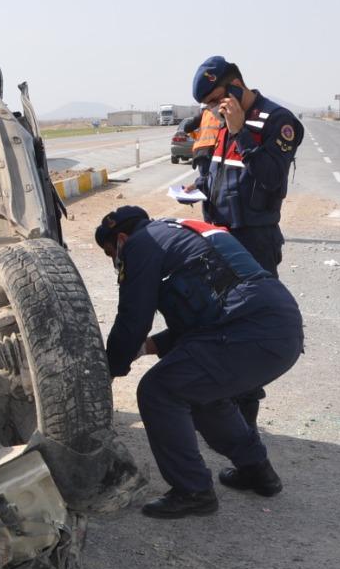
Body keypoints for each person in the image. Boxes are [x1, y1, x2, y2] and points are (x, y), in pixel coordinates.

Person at [96, 205, 304, 519]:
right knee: (201, 391)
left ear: (121, 238)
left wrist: (110, 370)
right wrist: (147, 347)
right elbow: (202, 317)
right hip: (277, 328)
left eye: (112, 252)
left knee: (159, 390)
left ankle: (192, 491)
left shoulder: (140, 245)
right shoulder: (174, 232)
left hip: (248, 331)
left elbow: (132, 319)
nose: (115, 261)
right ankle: (257, 471)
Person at [188, 55, 304, 428]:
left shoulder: (279, 121)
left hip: (254, 241)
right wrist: (199, 186)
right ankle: (224, 409)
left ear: (235, 86)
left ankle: (247, 424)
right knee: (217, 321)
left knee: (250, 328)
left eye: (214, 100)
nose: (211, 109)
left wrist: (240, 131)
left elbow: (270, 178)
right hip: (220, 237)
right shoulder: (219, 120)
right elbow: (218, 171)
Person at [189, 105, 219, 178]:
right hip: (212, 150)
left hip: (199, 151)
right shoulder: (219, 114)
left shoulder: (203, 116)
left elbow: (187, 128)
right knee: (212, 178)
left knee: (204, 178)